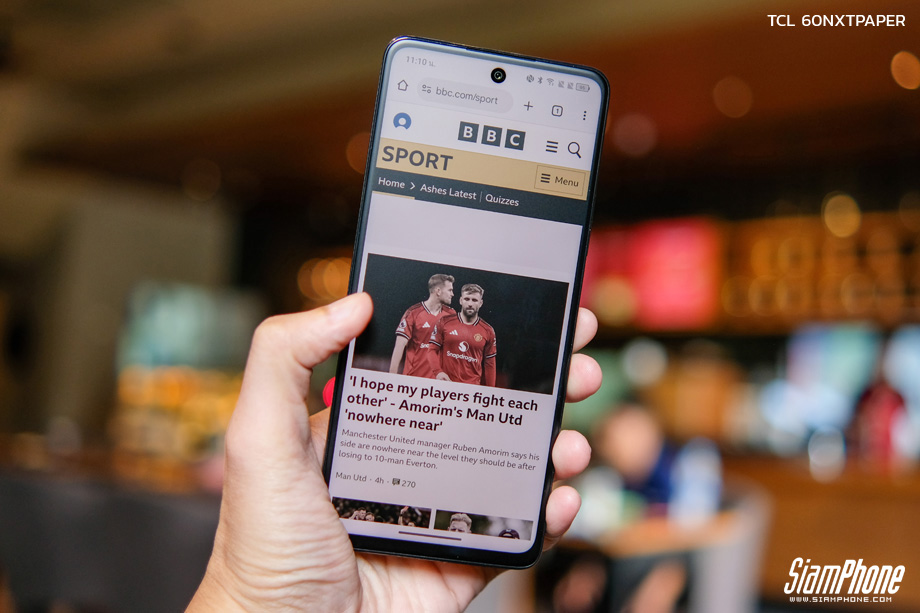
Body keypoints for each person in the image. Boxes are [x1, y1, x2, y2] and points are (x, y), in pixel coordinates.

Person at [186, 292, 600, 612]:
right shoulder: (437, 322)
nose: (465, 301)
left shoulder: (486, 332)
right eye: (460, 294)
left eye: (473, 297)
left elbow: (487, 369)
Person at [428, 284, 496, 386]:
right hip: (445, 384)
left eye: (474, 300)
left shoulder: (488, 330)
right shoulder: (444, 322)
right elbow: (432, 350)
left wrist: (491, 390)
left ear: (480, 303)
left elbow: (490, 363)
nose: (470, 304)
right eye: (467, 299)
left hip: (471, 387)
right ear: (461, 300)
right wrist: (438, 372)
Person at [389, 273, 456, 377]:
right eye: (450, 290)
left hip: (437, 381)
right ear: (438, 291)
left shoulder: (451, 315)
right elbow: (399, 346)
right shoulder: (413, 313)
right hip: (413, 379)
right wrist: (391, 376)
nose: (452, 294)